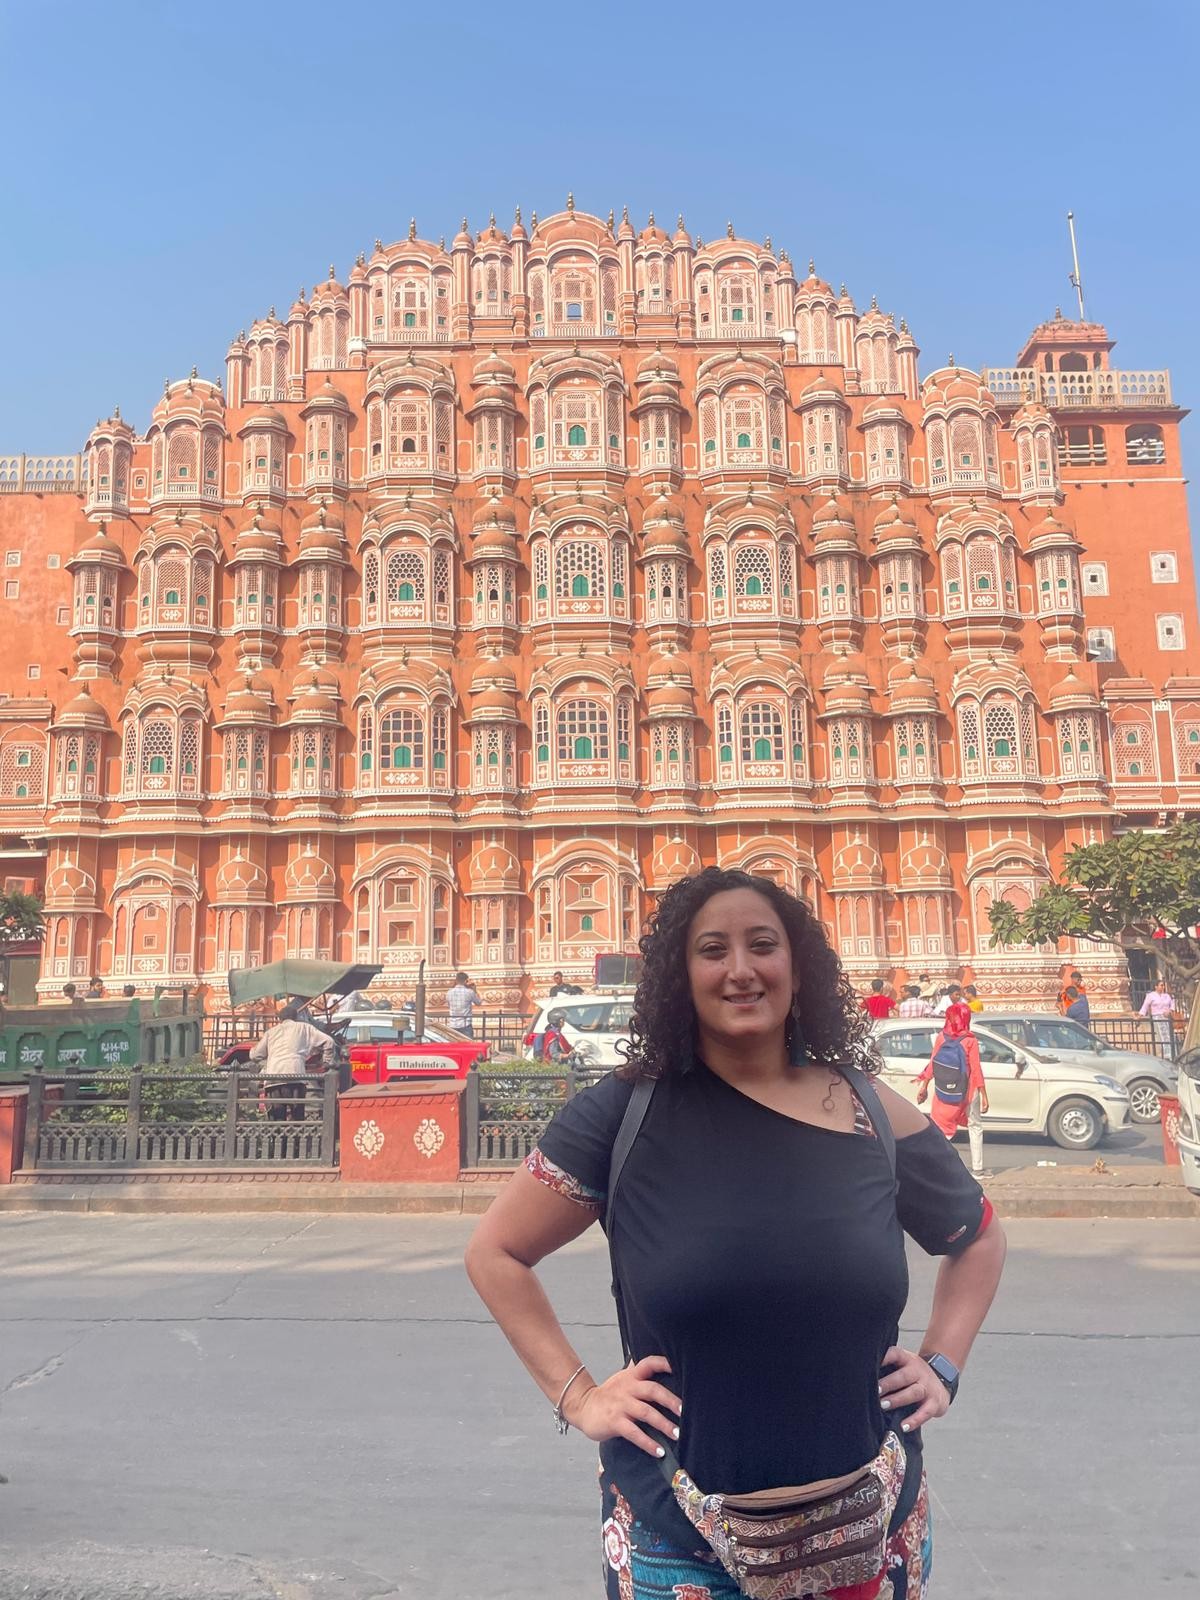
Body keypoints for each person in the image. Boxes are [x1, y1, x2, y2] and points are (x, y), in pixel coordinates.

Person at [466, 867, 1005, 1600]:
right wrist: (580, 1397)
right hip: (679, 1540)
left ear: (797, 967)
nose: (741, 970)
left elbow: (977, 1236)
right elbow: (496, 1252)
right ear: (679, 976)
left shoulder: (866, 1108)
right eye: (713, 950)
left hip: (870, 1529)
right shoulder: (625, 1116)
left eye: (763, 945)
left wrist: (941, 1364)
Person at [915, 1003, 990, 1177]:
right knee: (975, 1126)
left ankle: (937, 1168)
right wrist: (984, 1095)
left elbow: (932, 1063)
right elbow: (976, 1070)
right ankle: (977, 1169)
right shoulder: (970, 1040)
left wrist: (924, 1085)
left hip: (943, 1090)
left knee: (940, 1129)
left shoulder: (941, 1037)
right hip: (968, 1091)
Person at [248, 1003, 334, 1122]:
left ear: (280, 1019)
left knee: (277, 1120)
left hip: (274, 1079)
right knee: (297, 1118)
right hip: (296, 1077)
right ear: (296, 1017)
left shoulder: (271, 1032)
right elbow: (329, 1042)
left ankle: (278, 1134)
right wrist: (327, 1062)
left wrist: (254, 1050)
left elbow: (255, 1055)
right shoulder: (305, 1028)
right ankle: (296, 1134)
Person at [1139, 979, 1176, 1051]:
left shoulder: (1166, 996)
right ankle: (1167, 1054)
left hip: (1167, 1017)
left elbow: (1172, 1004)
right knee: (1163, 1036)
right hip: (1157, 1017)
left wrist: (1169, 1011)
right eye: (1161, 985)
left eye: (1163, 986)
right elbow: (1145, 1006)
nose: (1163, 987)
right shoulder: (1150, 995)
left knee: (1171, 1036)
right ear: (1156, 986)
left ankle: (1174, 1052)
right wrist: (1140, 1015)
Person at [446, 972, 482, 1037]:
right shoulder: (470, 992)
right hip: (465, 1024)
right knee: (467, 1043)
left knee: (454, 1043)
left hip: (453, 1024)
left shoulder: (449, 992)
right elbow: (478, 1003)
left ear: (456, 980)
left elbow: (449, 1005)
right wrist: (475, 990)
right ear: (466, 981)